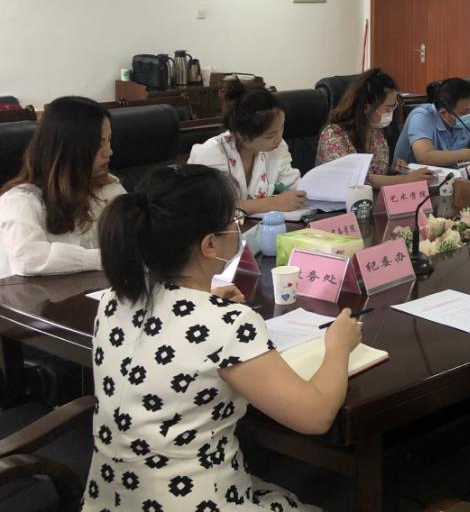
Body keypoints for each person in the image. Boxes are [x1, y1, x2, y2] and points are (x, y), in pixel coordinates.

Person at [85, 164, 361, 512]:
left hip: (113, 500)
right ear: (209, 244)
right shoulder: (228, 323)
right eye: (234, 220)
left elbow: (173, 332)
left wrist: (208, 304)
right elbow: (316, 416)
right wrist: (338, 346)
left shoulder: (115, 298)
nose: (239, 227)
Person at [0, 96, 124, 277]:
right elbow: (28, 258)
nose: (109, 152)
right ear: (68, 149)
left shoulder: (108, 186)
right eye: (99, 144)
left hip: (97, 289)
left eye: (109, 140)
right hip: (36, 295)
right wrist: (104, 259)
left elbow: (137, 234)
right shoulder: (20, 201)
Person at [188, 81, 306, 214]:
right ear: (241, 134)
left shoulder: (276, 148)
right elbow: (215, 207)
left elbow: (291, 182)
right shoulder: (212, 153)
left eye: (281, 128)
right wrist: (274, 203)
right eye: (270, 135)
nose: (279, 139)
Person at [316, 68, 432, 188]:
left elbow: (375, 172)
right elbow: (358, 179)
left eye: (393, 107)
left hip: (372, 196)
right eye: (388, 108)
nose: (391, 113)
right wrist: (405, 179)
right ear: (366, 108)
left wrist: (391, 169)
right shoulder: (333, 135)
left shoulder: (376, 131)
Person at [393, 78, 470, 167]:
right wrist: (467, 154)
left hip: (451, 176)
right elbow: (424, 157)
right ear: (444, 113)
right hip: (411, 178)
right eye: (465, 111)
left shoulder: (468, 114)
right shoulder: (421, 117)